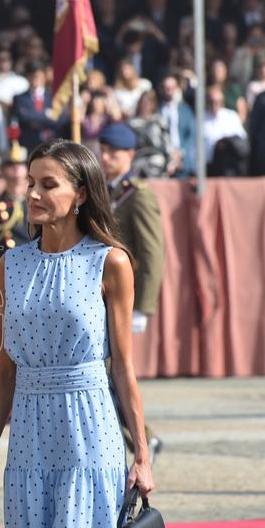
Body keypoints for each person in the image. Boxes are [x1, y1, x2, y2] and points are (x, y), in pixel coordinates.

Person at [0, 138, 165, 528]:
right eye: (30, 183)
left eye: (47, 184)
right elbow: (6, 369)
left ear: (80, 193)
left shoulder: (110, 262)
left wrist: (141, 454)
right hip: (30, 437)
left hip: (89, 430)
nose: (32, 194)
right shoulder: (10, 265)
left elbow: (123, 367)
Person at [98, 124, 164, 463]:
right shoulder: (103, 192)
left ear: (130, 156)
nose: (106, 159)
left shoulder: (137, 195)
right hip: (101, 299)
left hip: (123, 301)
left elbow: (153, 253)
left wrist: (143, 308)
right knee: (105, 378)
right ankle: (138, 440)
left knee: (113, 376)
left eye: (114, 153)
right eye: (103, 152)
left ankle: (141, 441)